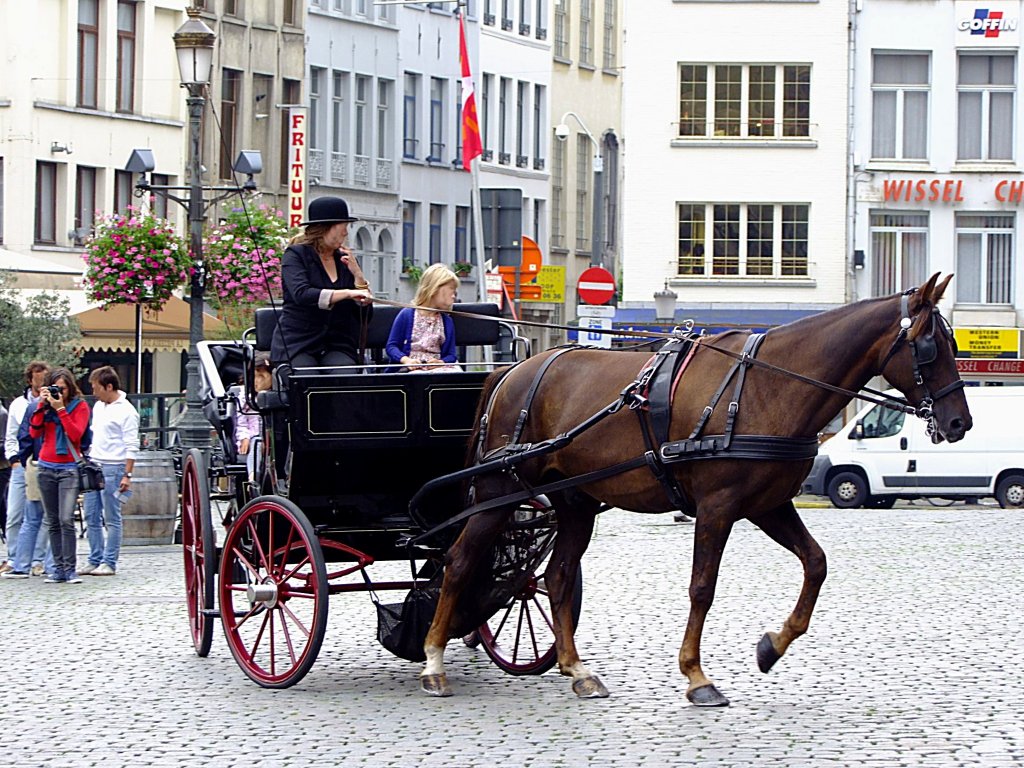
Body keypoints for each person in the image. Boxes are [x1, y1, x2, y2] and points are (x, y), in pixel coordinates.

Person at [271, 196, 374, 371]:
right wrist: (348, 293)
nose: (346, 233)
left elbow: (364, 315)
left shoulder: (344, 260)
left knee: (345, 377)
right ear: (327, 227)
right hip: (298, 343)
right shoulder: (295, 255)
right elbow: (302, 294)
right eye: (343, 226)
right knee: (305, 380)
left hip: (336, 344)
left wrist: (358, 278)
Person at [29, 368, 91, 584]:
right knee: (53, 521)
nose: (59, 393)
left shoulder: (80, 406)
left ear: (70, 388)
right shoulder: (45, 408)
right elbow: (34, 433)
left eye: (63, 389)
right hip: (46, 467)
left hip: (68, 469)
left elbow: (75, 434)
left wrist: (61, 409)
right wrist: (41, 404)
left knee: (66, 519)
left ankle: (70, 568)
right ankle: (58, 569)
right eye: (56, 388)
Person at [80, 366, 139, 576]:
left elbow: (132, 444)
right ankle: (94, 558)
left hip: (114, 467)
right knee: (91, 515)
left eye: (96, 387)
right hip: (95, 464)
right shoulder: (98, 406)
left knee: (112, 516)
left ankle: (109, 561)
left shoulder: (127, 411)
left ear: (109, 386)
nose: (94, 392)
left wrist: (127, 474)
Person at [1, 361, 53, 578]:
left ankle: (37, 559)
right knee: (14, 513)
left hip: (42, 461)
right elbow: (12, 434)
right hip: (22, 462)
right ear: (30, 380)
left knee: (39, 514)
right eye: (38, 380)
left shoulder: (51, 403)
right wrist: (14, 459)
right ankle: (14, 556)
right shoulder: (18, 405)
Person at [386, 263, 462, 372]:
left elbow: (451, 355)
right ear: (435, 289)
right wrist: (406, 360)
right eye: (451, 290)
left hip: (437, 369)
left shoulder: (446, 321)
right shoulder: (406, 315)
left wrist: (440, 362)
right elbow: (391, 346)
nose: (454, 296)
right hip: (410, 368)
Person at [233, 352, 272, 481]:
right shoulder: (246, 397)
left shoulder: (278, 395)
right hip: (255, 435)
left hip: (274, 436)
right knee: (257, 444)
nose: (256, 381)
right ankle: (253, 477)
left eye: (261, 376)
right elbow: (241, 421)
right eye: (254, 376)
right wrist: (245, 437)